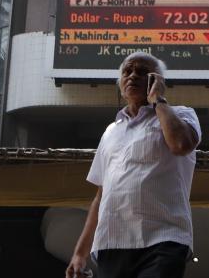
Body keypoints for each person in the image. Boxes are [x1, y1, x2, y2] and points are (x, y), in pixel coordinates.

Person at [66, 52, 201, 278]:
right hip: (111, 242)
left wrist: (158, 99)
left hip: (164, 238)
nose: (132, 76)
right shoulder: (110, 131)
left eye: (141, 72)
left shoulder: (181, 114)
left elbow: (180, 144)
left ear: (155, 80)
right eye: (127, 72)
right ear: (120, 83)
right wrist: (80, 253)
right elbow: (101, 195)